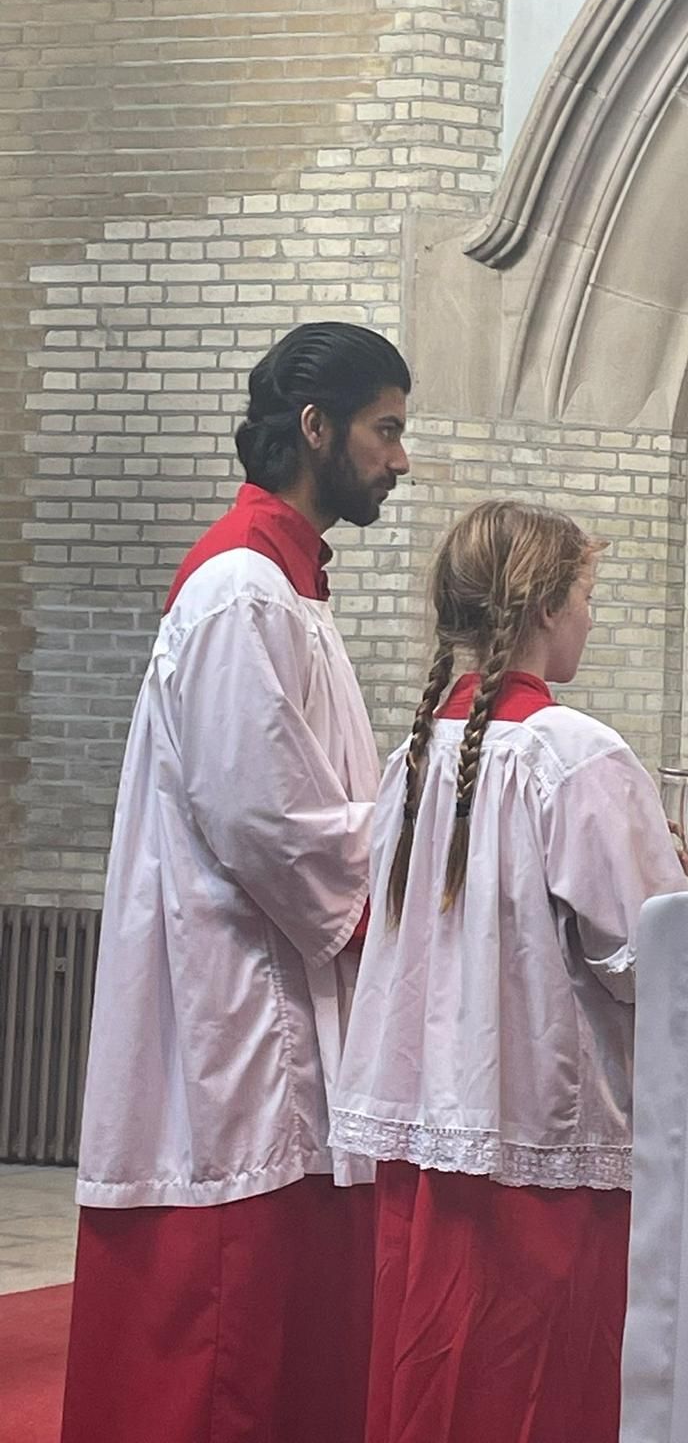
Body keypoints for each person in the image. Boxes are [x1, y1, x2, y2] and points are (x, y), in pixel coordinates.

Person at [61, 322, 412, 1443]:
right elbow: (266, 814)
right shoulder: (241, 593)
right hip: (238, 1009)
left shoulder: (283, 588)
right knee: (227, 1346)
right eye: (387, 428)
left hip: (273, 988)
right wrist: (399, 873)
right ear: (316, 428)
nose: (400, 459)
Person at [329, 499, 688, 1443]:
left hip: (429, 1132)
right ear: (540, 608)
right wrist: (681, 884)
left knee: (436, 1381)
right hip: (542, 1135)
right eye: (584, 595)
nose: (588, 617)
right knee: (535, 1389)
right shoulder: (573, 755)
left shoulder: (414, 754)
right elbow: (644, 960)